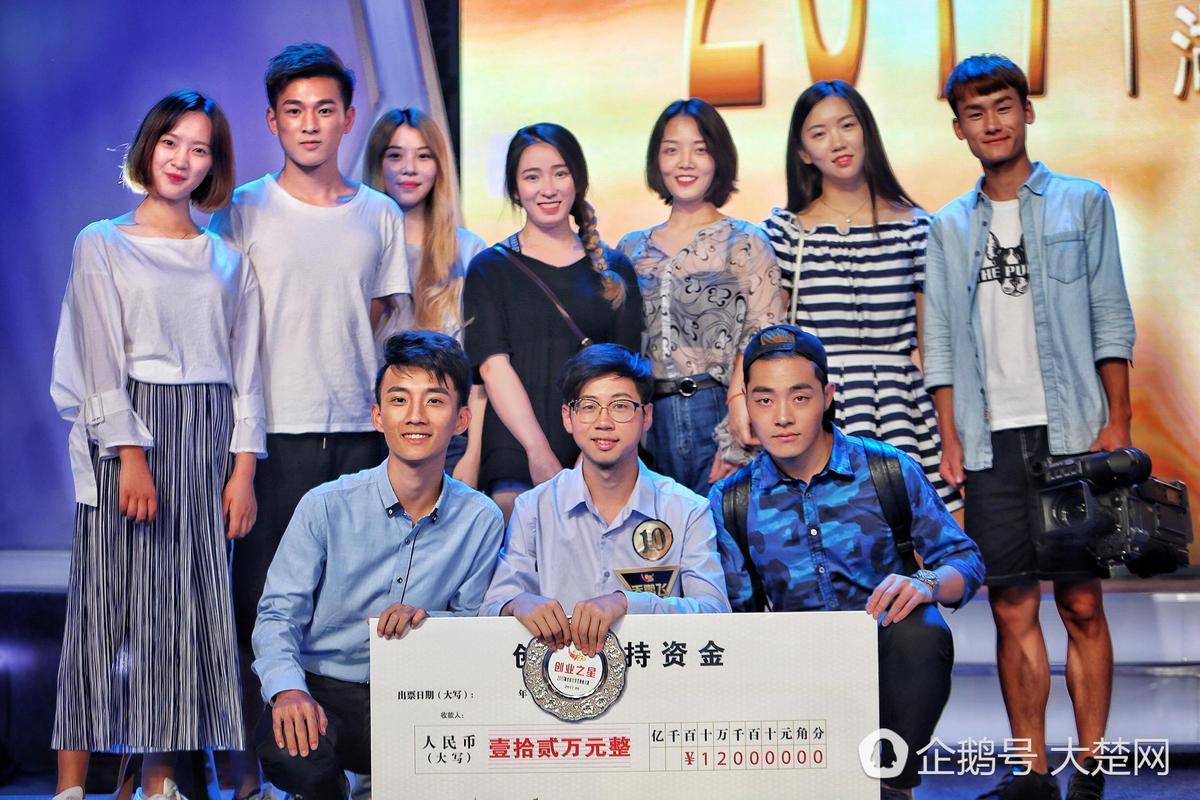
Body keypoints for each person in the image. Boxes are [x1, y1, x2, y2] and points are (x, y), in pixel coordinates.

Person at [924, 54, 1136, 800]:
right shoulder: (948, 226)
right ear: (959, 129)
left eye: (1004, 106)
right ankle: (1031, 772)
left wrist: (1119, 420)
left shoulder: (1083, 202)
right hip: (989, 439)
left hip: (1072, 433)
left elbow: (1111, 314)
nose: (992, 122)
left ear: (1027, 111)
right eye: (975, 112)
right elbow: (940, 339)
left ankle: (1093, 769)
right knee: (1010, 603)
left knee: (1080, 602)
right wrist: (950, 437)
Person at [208, 42, 411, 800]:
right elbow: (222, 329)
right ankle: (272, 765)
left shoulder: (379, 214)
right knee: (264, 602)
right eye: (294, 110)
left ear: (349, 118)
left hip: (358, 433)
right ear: (272, 121)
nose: (310, 123)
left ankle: (352, 754)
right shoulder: (242, 210)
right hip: (271, 438)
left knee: (353, 598)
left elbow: (384, 320)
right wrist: (238, 454)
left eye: (325, 109)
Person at [50, 90, 264, 800]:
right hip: (129, 431)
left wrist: (243, 471)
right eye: (172, 142)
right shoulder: (101, 242)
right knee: (101, 603)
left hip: (206, 435)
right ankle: (71, 787)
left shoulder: (228, 260)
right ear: (149, 146)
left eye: (199, 149)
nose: (182, 159)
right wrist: (131, 456)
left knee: (182, 610)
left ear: (213, 164)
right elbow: (99, 359)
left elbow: (246, 374)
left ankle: (159, 779)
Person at [710, 325, 984, 800]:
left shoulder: (886, 470)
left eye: (799, 397)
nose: (782, 417)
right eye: (764, 400)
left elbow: (965, 560)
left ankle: (892, 781)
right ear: (746, 404)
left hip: (886, 655)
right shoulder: (731, 499)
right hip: (793, 669)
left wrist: (925, 581)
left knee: (922, 632)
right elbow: (739, 616)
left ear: (827, 396)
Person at [252, 331, 504, 798]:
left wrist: (431, 621)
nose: (415, 415)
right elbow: (277, 616)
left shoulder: (480, 518)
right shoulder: (325, 505)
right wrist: (288, 690)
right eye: (398, 399)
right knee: (293, 755)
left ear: (461, 419)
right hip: (326, 687)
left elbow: (475, 623)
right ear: (377, 416)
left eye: (434, 401)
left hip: (421, 693)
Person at [762, 80, 962, 513]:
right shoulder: (785, 232)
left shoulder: (917, 227)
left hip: (904, 406)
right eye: (819, 133)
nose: (837, 142)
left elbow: (933, 346)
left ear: (866, 130)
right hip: (821, 407)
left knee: (925, 529)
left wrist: (952, 432)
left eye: (847, 125)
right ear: (803, 152)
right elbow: (773, 340)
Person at [480, 344, 730, 655]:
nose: (604, 422)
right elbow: (492, 607)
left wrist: (627, 603)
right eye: (588, 406)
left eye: (620, 406)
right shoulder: (534, 507)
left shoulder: (687, 509)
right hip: (558, 678)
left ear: (647, 417)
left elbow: (715, 612)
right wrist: (516, 603)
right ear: (568, 417)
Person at [463, 123, 643, 521]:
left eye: (560, 173)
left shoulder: (615, 269)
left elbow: (625, 371)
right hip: (515, 447)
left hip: (600, 444)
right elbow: (492, 367)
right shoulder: (489, 268)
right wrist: (537, 452)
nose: (548, 188)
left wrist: (588, 455)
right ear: (514, 189)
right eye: (532, 177)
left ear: (577, 180)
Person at [617, 98, 785, 497]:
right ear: (656, 160)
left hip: (719, 411)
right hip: (648, 420)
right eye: (671, 150)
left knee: (722, 530)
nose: (685, 162)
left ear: (719, 157)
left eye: (700, 149)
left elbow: (763, 338)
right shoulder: (630, 249)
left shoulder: (745, 241)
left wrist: (734, 436)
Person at [363, 107, 488, 481]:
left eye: (423, 156)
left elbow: (482, 369)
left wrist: (473, 454)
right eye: (395, 155)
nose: (409, 169)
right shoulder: (358, 247)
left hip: (448, 439)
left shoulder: (470, 252)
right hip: (370, 432)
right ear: (378, 164)